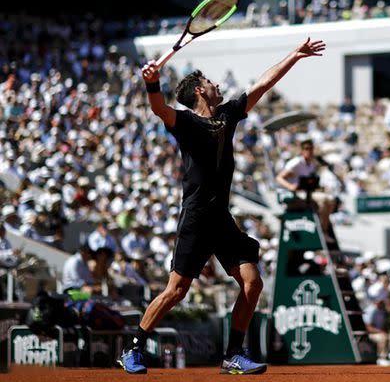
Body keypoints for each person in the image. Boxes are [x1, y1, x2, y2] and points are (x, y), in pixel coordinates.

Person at [120, 36, 325, 375]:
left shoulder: (228, 114)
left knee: (252, 282)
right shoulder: (185, 123)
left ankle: (232, 355)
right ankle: (134, 348)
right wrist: (152, 81)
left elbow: (263, 83)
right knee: (176, 291)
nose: (216, 84)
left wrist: (294, 56)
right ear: (199, 91)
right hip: (197, 217)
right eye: (209, 82)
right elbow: (158, 108)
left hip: (221, 218)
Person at [275, 139, 337, 232]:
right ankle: (321, 231)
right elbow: (279, 178)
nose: (309, 151)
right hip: (295, 194)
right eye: (306, 148)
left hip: (306, 192)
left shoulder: (311, 164)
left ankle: (323, 229)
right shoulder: (296, 162)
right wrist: (290, 186)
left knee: (331, 200)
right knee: (323, 200)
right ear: (302, 150)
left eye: (311, 148)